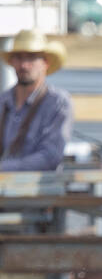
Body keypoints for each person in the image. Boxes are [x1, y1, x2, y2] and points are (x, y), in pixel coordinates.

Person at [0, 28, 72, 171]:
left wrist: (4, 168)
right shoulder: (3, 101)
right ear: (12, 62)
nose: (24, 65)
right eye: (19, 57)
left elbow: (50, 157)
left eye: (31, 57)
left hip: (40, 190)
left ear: (46, 63)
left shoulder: (57, 102)